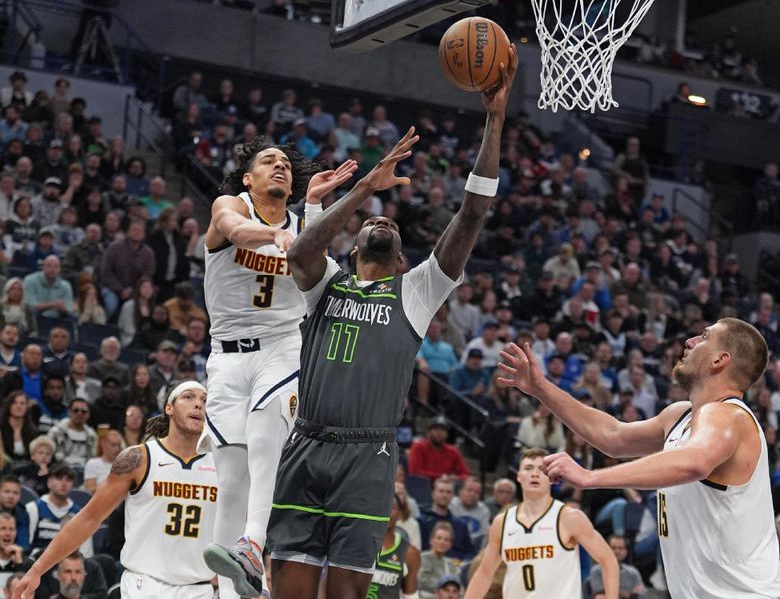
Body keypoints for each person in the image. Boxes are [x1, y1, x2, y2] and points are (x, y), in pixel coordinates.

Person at [265, 46, 517, 599]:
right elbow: (302, 252)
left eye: (388, 221)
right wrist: (362, 189)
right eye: (370, 219)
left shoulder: (416, 290)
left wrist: (494, 118)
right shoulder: (326, 283)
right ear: (353, 247)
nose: (380, 218)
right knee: (289, 590)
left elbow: (473, 211)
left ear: (402, 258)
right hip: (305, 444)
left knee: (349, 594)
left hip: (367, 455)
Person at [497, 318, 780, 597]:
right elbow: (611, 435)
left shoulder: (729, 414)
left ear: (719, 360)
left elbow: (694, 462)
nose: (689, 341)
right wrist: (540, 388)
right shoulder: (680, 416)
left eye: (704, 337)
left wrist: (591, 477)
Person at [198, 129, 358, 598]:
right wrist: (277, 235)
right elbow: (235, 232)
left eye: (285, 163)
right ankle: (231, 587)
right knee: (230, 475)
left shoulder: (301, 224)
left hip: (282, 346)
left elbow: (313, 269)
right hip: (225, 356)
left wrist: (311, 213)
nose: (280, 166)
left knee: (268, 427)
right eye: (269, 161)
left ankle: (255, 543)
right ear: (248, 179)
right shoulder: (229, 207)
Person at [13, 381, 218, 599]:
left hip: (198, 588)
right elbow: (89, 518)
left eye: (204, 400)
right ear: (169, 407)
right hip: (144, 585)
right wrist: (37, 570)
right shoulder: (138, 459)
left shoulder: (224, 465)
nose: (198, 404)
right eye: (189, 397)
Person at [464, 447, 619, 599]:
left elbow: (609, 560)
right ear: (518, 476)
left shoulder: (569, 518)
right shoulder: (502, 522)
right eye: (528, 468)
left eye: (541, 469)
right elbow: (485, 573)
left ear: (552, 477)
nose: (534, 474)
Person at [366, 494, 420, 599]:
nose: (386, 511)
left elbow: (411, 596)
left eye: (392, 507)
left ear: (400, 514)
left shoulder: (410, 553)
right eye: (383, 506)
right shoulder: (357, 543)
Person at [407, 416, 470, 481]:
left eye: (443, 430)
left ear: (447, 434)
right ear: (428, 432)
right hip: (422, 486)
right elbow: (415, 472)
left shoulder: (453, 451)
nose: (439, 433)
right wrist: (443, 477)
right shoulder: (418, 447)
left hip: (445, 487)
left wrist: (456, 478)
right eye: (436, 429)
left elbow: (465, 474)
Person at [82, 429, 122, 494]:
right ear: (103, 445)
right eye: (113, 445)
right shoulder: (93, 464)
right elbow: (89, 491)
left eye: (119, 445)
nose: (117, 449)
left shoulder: (124, 465)